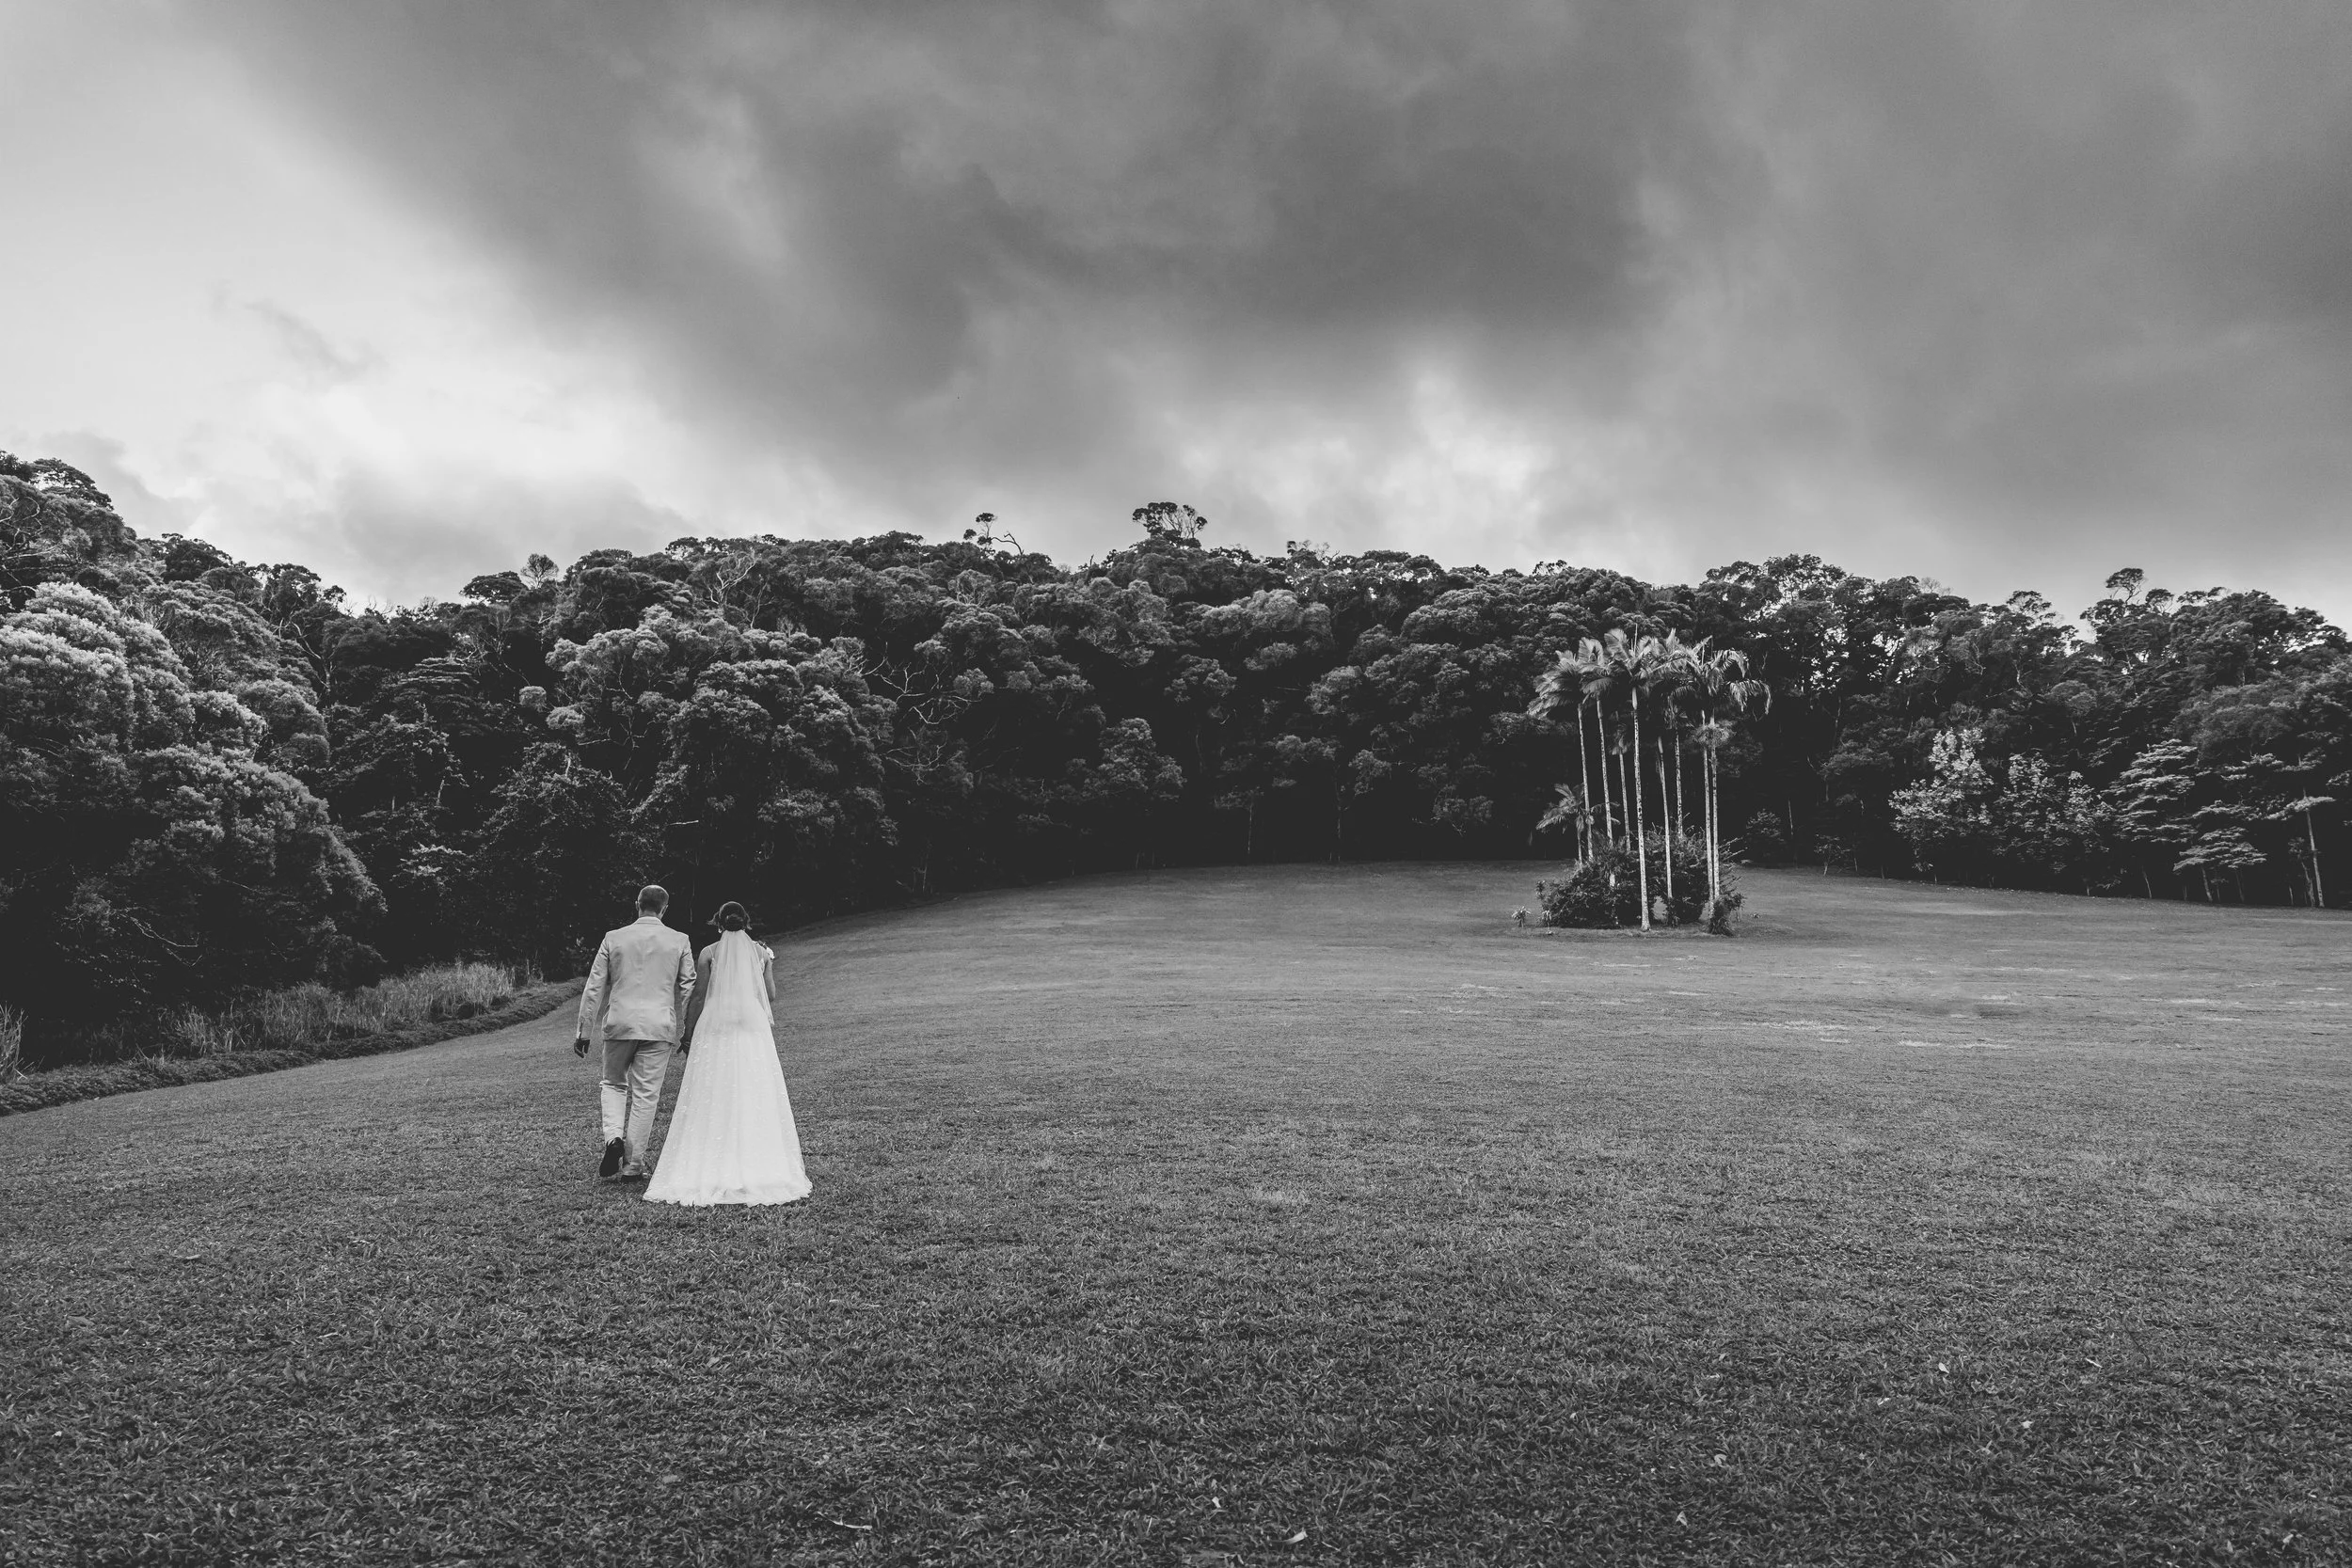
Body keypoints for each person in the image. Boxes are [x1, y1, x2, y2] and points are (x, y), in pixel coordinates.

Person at [644, 900, 811, 1207]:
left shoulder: (709, 953)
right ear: (746, 923)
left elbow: (698, 997)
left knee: (714, 1088)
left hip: (716, 1026)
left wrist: (688, 1032)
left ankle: (711, 1162)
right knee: (753, 1087)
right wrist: (764, 966)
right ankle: (759, 1163)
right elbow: (770, 995)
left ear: (719, 924)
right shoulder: (761, 953)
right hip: (752, 1029)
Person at [573, 885, 697, 1180]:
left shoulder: (613, 938)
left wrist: (583, 1031)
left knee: (613, 1084)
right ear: (664, 909)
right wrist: (689, 1032)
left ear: (637, 904)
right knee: (646, 1095)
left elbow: (594, 987)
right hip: (658, 1028)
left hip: (619, 1024)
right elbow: (688, 990)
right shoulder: (679, 940)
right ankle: (632, 1165)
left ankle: (613, 1138)